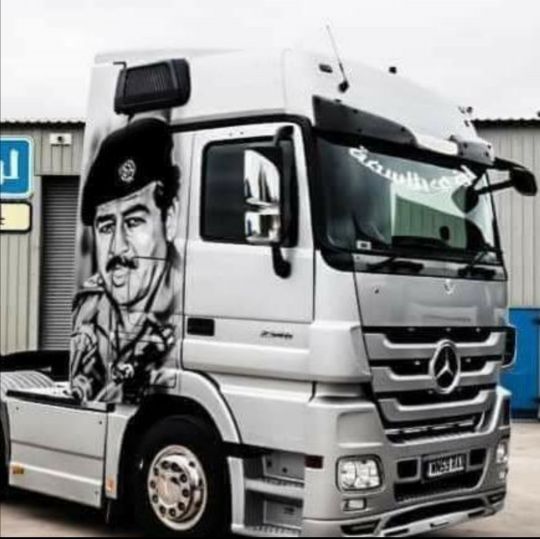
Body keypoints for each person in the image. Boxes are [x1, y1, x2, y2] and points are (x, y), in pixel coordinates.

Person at [70, 118, 181, 403]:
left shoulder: (184, 307)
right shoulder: (89, 304)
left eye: (133, 222)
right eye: (106, 227)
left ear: (169, 220)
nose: (117, 247)